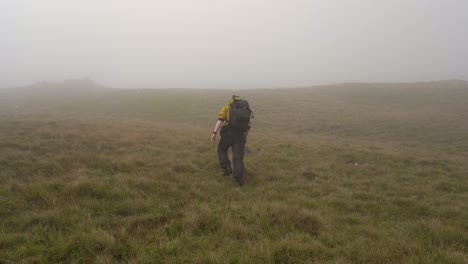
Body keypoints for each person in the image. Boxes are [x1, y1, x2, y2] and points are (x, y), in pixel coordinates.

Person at [211, 95, 253, 186]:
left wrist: (214, 133)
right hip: (241, 136)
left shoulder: (227, 108)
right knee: (238, 157)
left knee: (221, 150)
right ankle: (238, 178)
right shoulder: (245, 111)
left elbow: (220, 120)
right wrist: (244, 137)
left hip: (228, 134)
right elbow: (248, 126)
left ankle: (227, 168)